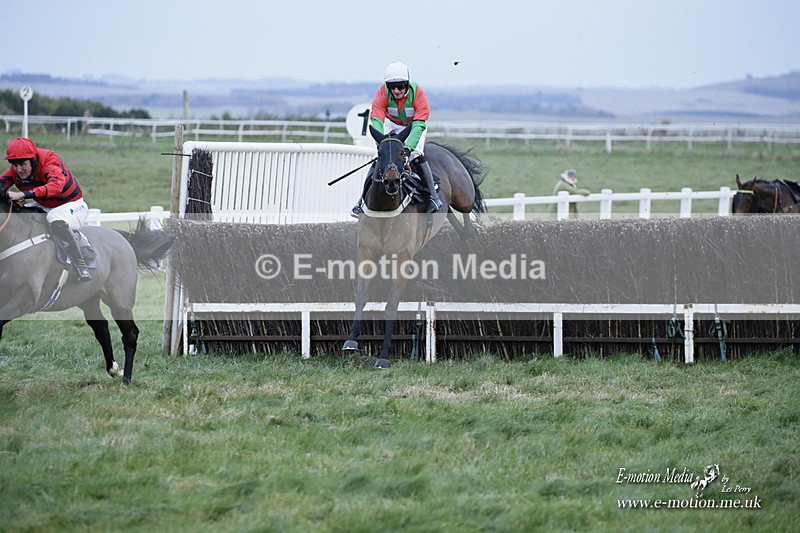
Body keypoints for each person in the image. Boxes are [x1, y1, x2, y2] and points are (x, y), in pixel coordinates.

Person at [351, 61, 443, 217]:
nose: (396, 90)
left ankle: (434, 197)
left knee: (415, 154)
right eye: (392, 87)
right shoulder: (382, 93)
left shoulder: (418, 94)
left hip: (414, 125)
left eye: (400, 86)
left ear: (407, 84)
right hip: (391, 123)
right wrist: (382, 144)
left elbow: (419, 124)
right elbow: (377, 120)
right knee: (379, 156)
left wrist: (407, 149)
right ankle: (361, 201)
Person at [1, 137, 92, 281]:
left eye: (22, 164)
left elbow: (56, 186)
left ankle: (81, 264)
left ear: (33, 160)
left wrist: (22, 194)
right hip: (45, 205)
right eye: (14, 165)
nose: (18, 170)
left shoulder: (49, 160)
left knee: (54, 218)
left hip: (72, 205)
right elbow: (2, 182)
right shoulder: (17, 170)